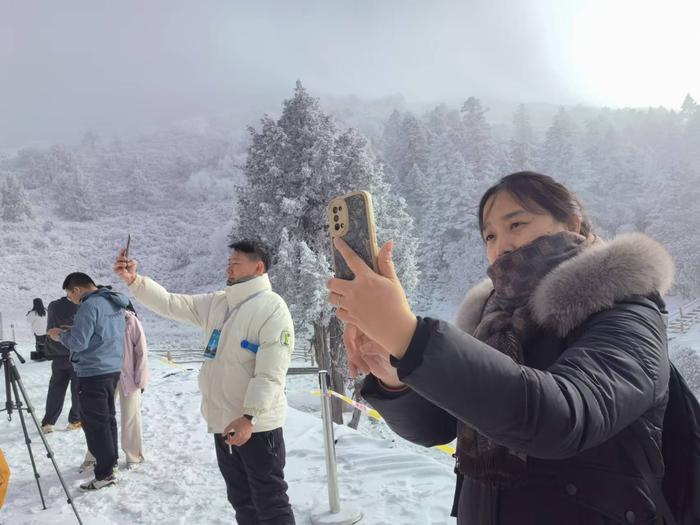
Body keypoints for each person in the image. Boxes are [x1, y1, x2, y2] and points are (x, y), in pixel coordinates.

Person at [326, 171, 675, 524]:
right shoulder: (492, 321)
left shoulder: (628, 312)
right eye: (489, 235)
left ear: (571, 222)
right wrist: (395, 375)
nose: (501, 244)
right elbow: (437, 428)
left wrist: (409, 336)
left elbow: (565, 417)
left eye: (516, 224)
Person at [114, 239, 296, 525]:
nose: (229, 268)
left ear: (258, 266)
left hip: (257, 427)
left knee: (270, 500)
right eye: (229, 263)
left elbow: (271, 373)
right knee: (241, 499)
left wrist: (249, 416)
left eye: (236, 263)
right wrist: (134, 281)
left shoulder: (272, 308)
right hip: (224, 424)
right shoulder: (220, 302)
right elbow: (172, 303)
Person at [47, 272, 128, 491]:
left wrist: (59, 335)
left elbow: (79, 343)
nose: (71, 300)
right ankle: (110, 464)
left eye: (69, 295)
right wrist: (73, 330)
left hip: (92, 372)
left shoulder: (88, 306)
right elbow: (100, 333)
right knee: (107, 419)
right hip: (111, 368)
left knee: (94, 424)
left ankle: (105, 473)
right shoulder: (113, 301)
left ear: (76, 290)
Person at [81, 300, 150, 473]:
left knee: (131, 417)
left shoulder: (130, 320)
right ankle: (95, 456)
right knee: (99, 418)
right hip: (103, 374)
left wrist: (141, 378)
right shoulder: (95, 319)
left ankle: (134, 455)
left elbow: (141, 351)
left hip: (129, 377)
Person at [40, 296, 81, 433]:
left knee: (55, 390)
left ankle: (48, 422)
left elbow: (49, 330)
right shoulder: (79, 306)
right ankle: (75, 420)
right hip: (75, 355)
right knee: (77, 390)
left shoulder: (53, 306)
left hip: (57, 355)